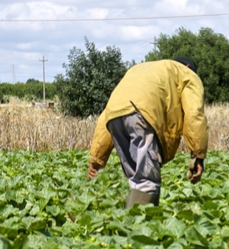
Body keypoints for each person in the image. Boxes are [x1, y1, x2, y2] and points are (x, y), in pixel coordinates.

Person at [87, 57, 208, 207]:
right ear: (188, 66)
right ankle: (138, 228)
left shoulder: (139, 70)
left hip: (113, 117)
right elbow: (194, 113)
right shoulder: (186, 73)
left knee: (135, 180)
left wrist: (96, 159)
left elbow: (104, 118)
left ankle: (123, 221)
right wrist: (198, 155)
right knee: (146, 181)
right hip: (142, 114)